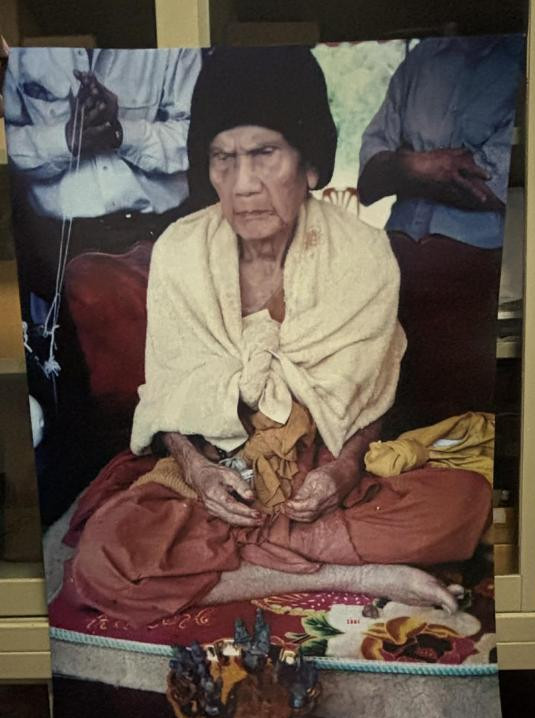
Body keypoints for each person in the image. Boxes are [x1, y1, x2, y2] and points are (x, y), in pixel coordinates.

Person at [62, 47, 492, 628]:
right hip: (217, 476)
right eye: (224, 159)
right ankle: (353, 575)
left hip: (320, 473)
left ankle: (228, 565)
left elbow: (371, 395)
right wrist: (197, 471)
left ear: (309, 164)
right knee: (104, 555)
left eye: (264, 154)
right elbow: (166, 396)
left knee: (463, 505)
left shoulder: (361, 254)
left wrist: (342, 473)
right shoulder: (181, 251)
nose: (243, 185)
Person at [357, 35, 524, 429]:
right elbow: (369, 179)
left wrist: (403, 166)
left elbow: (491, 185)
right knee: (386, 423)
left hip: (471, 288)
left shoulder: (521, 60)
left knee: (459, 430)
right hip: (395, 282)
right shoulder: (422, 58)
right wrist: (426, 166)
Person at [4, 47, 202, 300]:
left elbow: (199, 136)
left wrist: (121, 133)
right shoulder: (15, 53)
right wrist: (64, 139)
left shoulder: (173, 44)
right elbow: (7, 141)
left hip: (161, 234)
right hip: (57, 247)